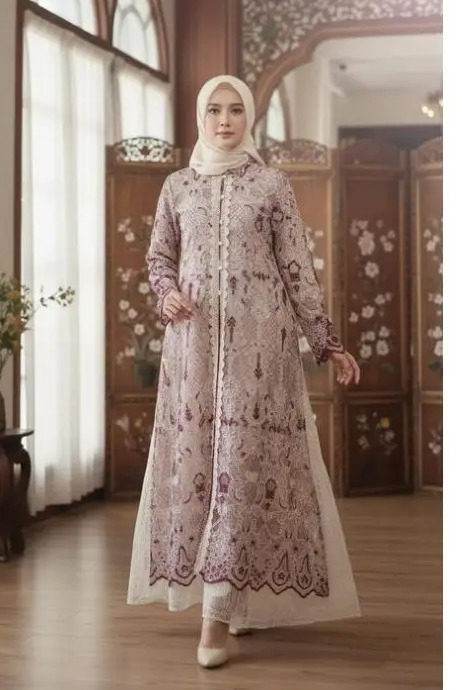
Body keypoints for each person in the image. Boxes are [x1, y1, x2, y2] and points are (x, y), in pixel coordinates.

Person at [127, 74, 362, 669]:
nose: (225, 120)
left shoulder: (271, 185)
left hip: (259, 354)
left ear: (248, 117)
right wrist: (166, 292)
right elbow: (159, 256)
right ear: (201, 116)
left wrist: (327, 343)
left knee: (243, 472)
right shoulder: (178, 186)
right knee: (203, 471)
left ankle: (216, 615)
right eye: (214, 109)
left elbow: (296, 268)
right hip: (193, 352)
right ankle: (229, 598)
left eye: (235, 110)